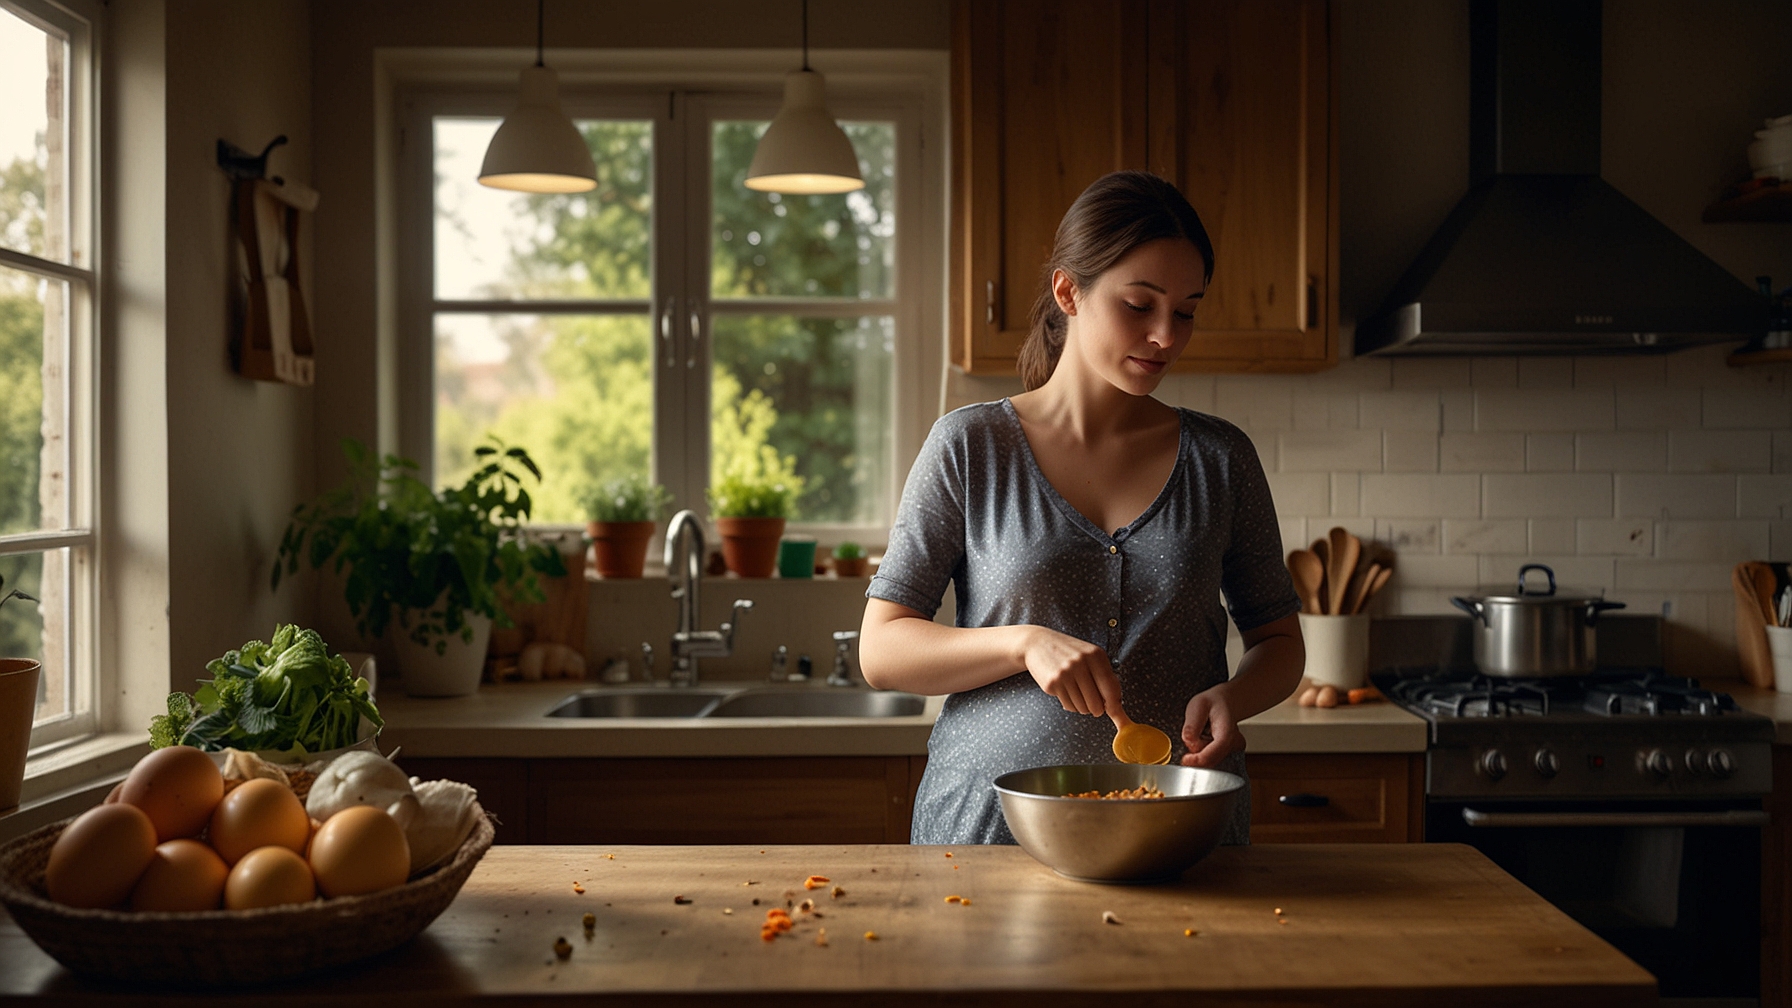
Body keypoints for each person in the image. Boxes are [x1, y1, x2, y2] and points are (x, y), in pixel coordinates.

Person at [858, 170, 1305, 846]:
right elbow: (883, 649)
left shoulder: (1221, 458)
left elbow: (1279, 643)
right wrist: (1023, 642)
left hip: (1178, 832)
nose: (1166, 336)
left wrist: (1232, 698)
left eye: (1186, 312)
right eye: (1139, 305)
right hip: (988, 831)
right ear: (1069, 291)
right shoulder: (971, 446)